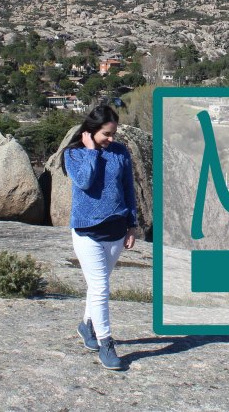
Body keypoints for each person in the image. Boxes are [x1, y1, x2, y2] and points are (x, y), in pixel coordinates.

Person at [62, 104, 139, 370]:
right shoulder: (73, 154)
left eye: (113, 134)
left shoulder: (120, 152)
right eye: (107, 134)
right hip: (87, 232)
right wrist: (92, 152)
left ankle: (87, 326)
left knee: (99, 284)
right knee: (101, 287)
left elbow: (128, 188)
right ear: (90, 131)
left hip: (116, 231)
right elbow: (84, 181)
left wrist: (132, 225)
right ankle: (106, 343)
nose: (111, 139)